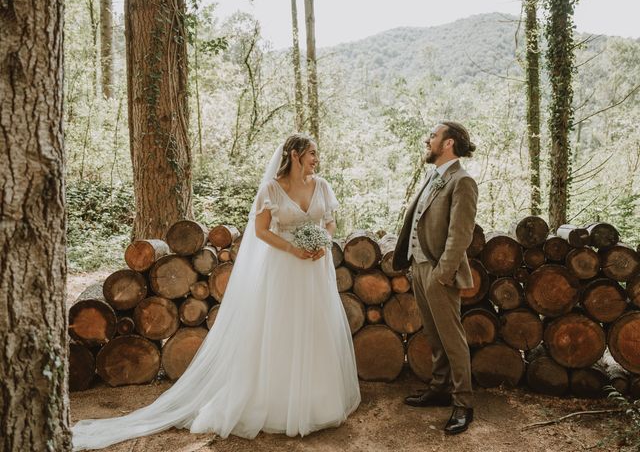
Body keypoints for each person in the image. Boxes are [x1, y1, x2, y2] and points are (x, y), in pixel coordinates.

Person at [72, 134, 361, 450]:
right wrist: (293, 248)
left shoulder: (322, 186)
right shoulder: (271, 190)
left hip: (316, 270)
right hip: (285, 269)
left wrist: (320, 240)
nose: (316, 159)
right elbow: (262, 231)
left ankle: (318, 401)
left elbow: (330, 223)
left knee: (315, 327)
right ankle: (280, 403)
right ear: (294, 155)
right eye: (312, 153)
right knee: (282, 330)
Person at [393, 121, 478, 435]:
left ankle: (463, 403)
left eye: (433, 135)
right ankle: (440, 388)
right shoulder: (434, 175)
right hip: (419, 265)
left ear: (448, 144)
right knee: (434, 333)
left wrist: (443, 272)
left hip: (440, 270)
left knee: (452, 338)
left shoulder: (463, 181)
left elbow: (461, 234)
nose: (427, 139)